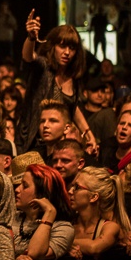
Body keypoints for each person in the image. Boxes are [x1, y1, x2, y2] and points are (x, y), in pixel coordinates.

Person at [19, 11, 96, 154]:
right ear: (53, 46)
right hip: (33, 143)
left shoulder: (73, 77)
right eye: (62, 46)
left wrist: (89, 134)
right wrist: (31, 38)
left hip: (58, 146)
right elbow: (28, 57)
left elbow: (72, 108)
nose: (67, 52)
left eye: (71, 48)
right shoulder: (43, 68)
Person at [12, 164, 75, 260]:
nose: (17, 189)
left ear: (42, 193)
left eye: (25, 185)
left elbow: (34, 253)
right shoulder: (12, 217)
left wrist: (50, 212)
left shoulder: (63, 228)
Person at [67, 167, 130, 259]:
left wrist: (62, 243)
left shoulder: (109, 227)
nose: (70, 191)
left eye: (77, 187)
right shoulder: (68, 224)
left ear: (93, 197)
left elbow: (94, 247)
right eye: (71, 186)